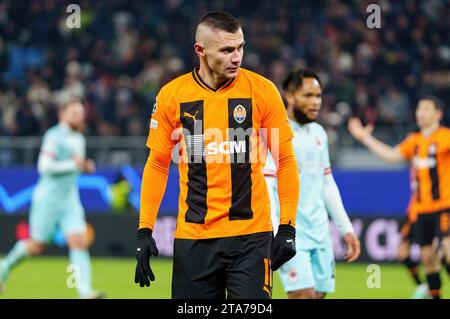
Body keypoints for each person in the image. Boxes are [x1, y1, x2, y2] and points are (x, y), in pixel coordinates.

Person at [134, 11, 300, 299]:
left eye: (240, 47)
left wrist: (287, 226)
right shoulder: (172, 96)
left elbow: (285, 160)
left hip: (250, 238)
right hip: (193, 241)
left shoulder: (263, 92)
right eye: (227, 50)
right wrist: (144, 230)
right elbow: (158, 164)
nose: (237, 57)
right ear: (200, 50)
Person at [263, 69, 360, 299]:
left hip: (320, 233)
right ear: (289, 95)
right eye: (308, 95)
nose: (315, 102)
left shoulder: (319, 133)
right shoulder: (276, 132)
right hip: (291, 234)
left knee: (317, 295)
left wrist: (345, 228)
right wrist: (276, 232)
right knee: (303, 295)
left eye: (318, 96)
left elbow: (327, 183)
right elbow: (267, 186)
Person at [0, 98, 104, 299]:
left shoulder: (79, 138)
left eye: (81, 113)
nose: (79, 116)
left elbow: (75, 169)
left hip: (70, 200)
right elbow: (44, 167)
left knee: (79, 241)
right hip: (48, 199)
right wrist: (75, 166)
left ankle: (85, 291)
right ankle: (3, 267)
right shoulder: (54, 136)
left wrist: (84, 168)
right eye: (74, 113)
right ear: (62, 114)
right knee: (36, 245)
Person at [348, 97, 450, 299]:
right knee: (428, 258)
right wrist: (365, 138)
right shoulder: (414, 141)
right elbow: (391, 156)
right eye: (419, 108)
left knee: (448, 250)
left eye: (426, 109)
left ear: (438, 114)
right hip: (421, 210)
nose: (421, 112)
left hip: (444, 206)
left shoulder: (446, 137)